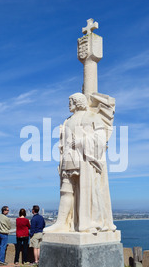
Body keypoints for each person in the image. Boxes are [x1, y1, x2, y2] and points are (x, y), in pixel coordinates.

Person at [44, 92, 115, 233]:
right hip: (68, 157)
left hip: (85, 159)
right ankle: (61, 222)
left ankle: (87, 222)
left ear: (78, 102)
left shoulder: (92, 116)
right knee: (65, 190)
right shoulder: (67, 120)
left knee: (86, 190)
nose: (69, 104)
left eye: (71, 101)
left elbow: (101, 139)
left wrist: (82, 141)